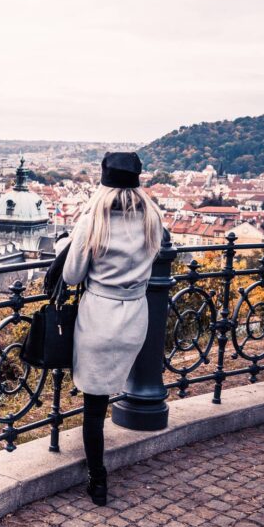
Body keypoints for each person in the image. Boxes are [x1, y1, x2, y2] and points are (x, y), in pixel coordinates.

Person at [54, 152, 164, 505]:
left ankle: (97, 478)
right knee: (105, 394)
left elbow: (71, 276)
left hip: (99, 317)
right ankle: (97, 474)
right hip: (135, 317)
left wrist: (67, 246)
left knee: (93, 406)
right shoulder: (153, 218)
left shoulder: (94, 220)